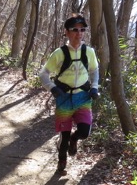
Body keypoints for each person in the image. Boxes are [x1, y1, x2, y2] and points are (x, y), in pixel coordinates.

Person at [38, 13, 100, 175]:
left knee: (84, 132)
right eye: (75, 30)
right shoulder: (59, 53)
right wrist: (52, 88)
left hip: (83, 96)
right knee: (64, 135)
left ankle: (75, 139)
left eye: (82, 30)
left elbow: (94, 70)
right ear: (66, 32)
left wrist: (94, 87)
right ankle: (61, 163)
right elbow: (43, 74)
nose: (79, 33)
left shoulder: (89, 52)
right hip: (64, 97)